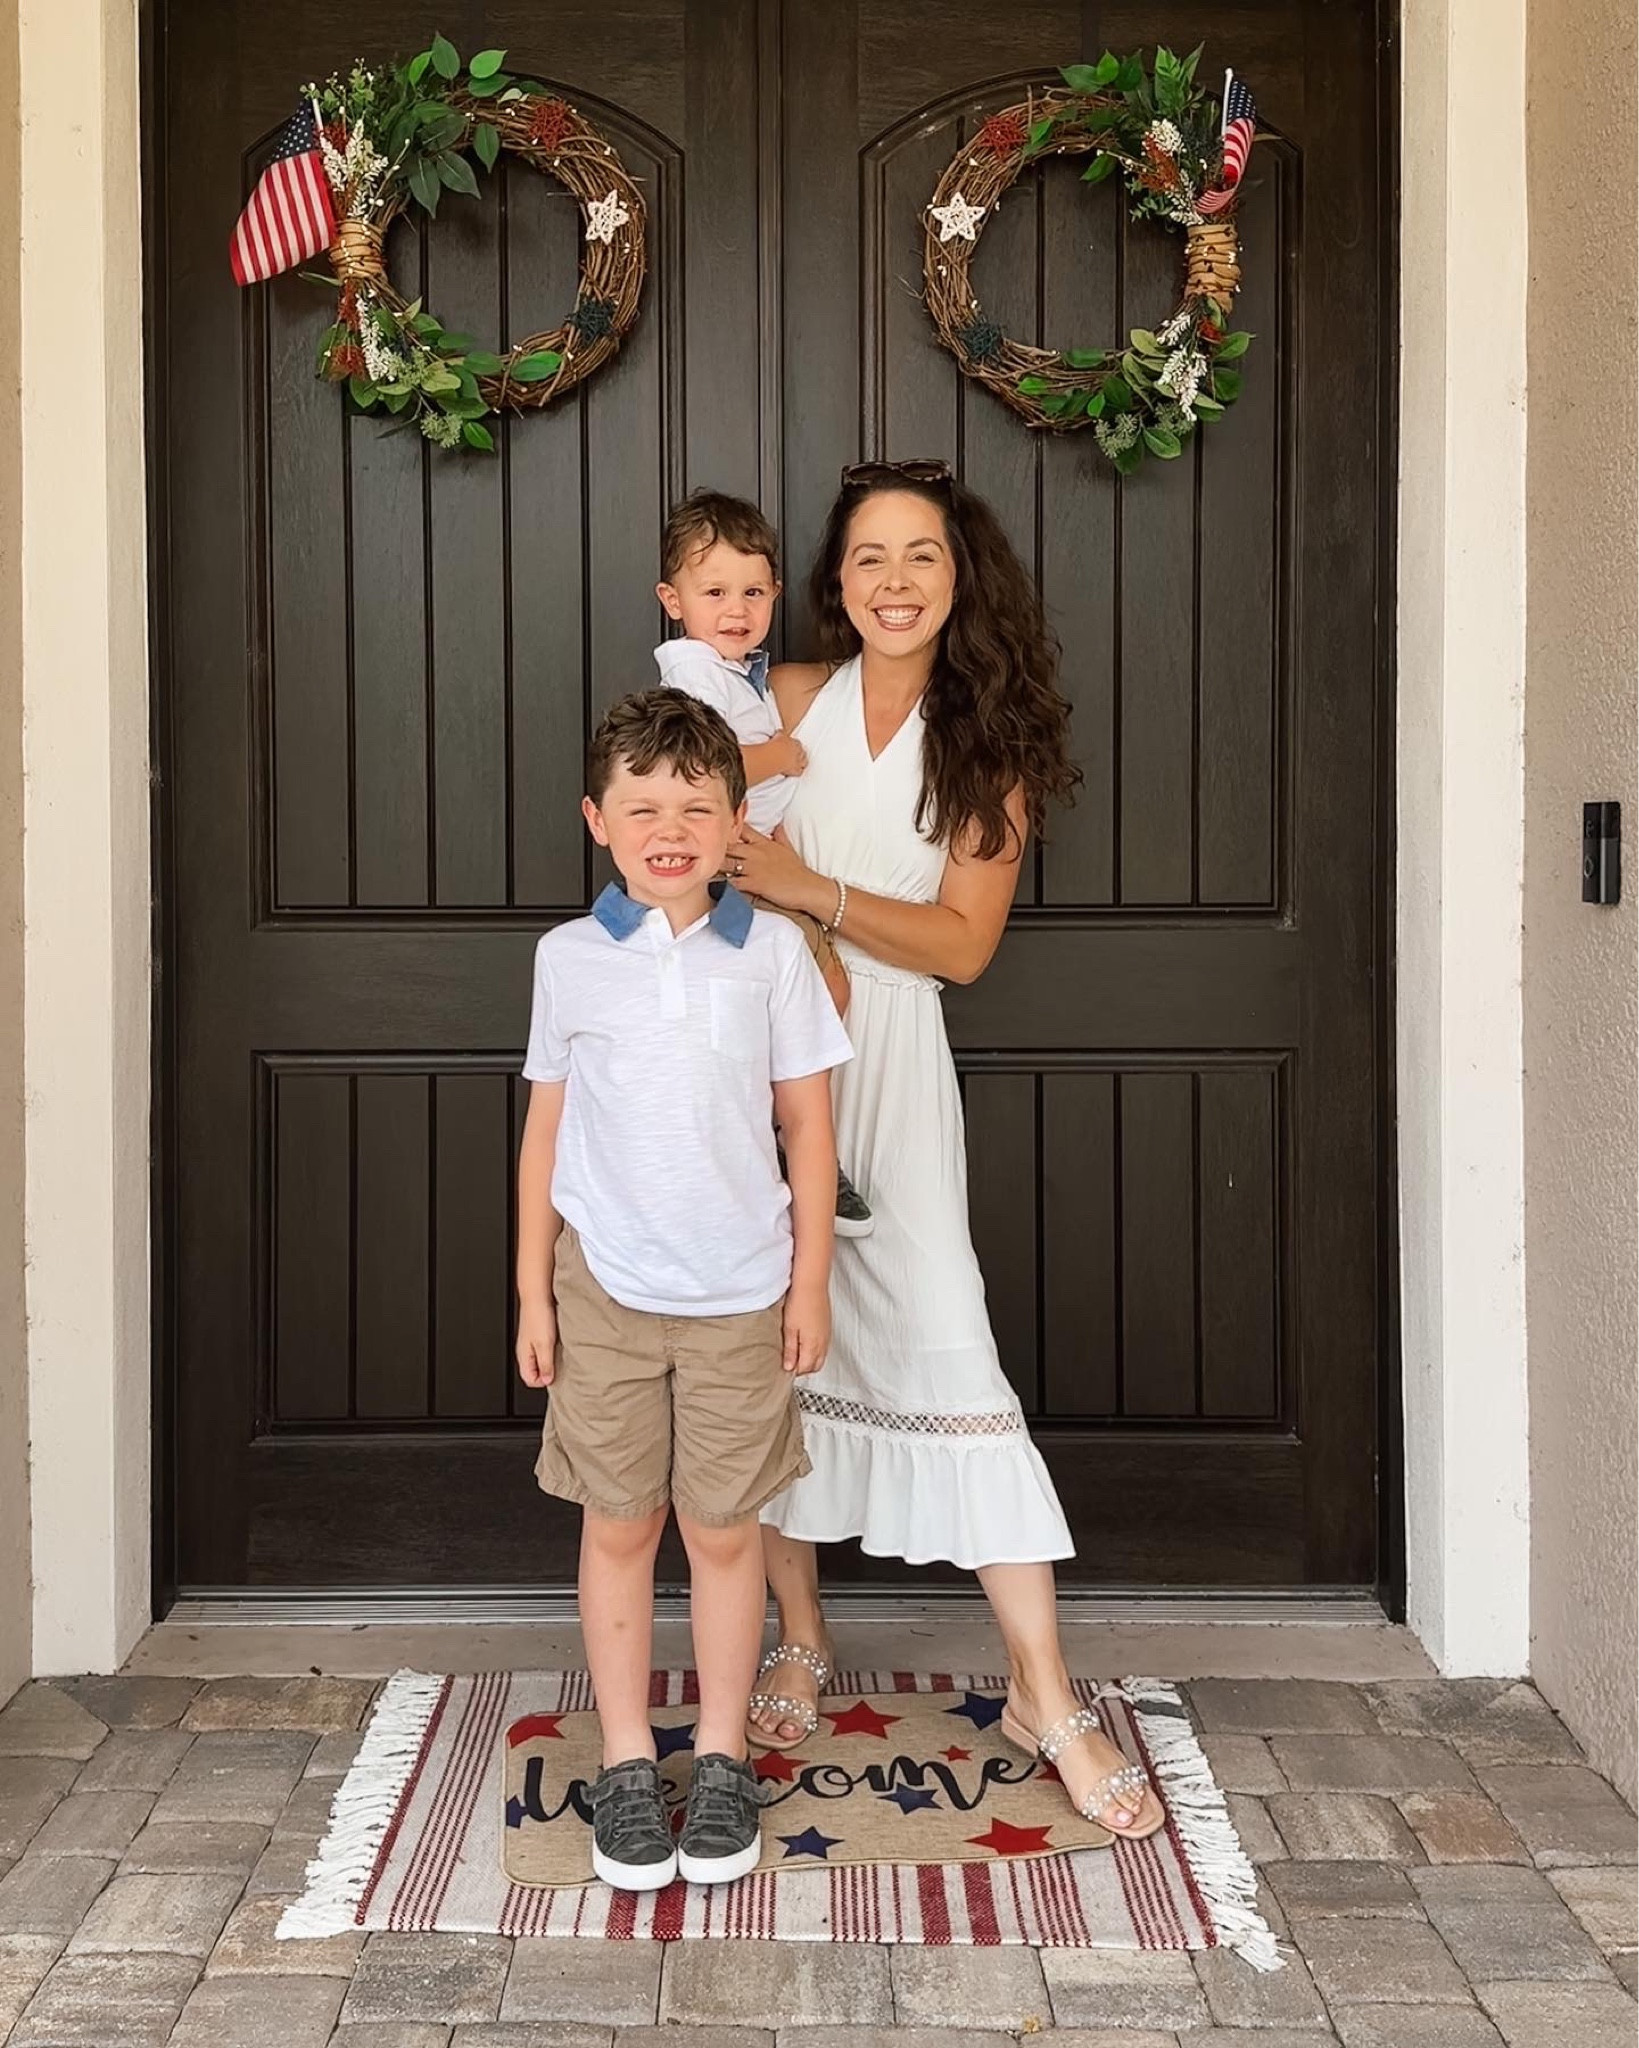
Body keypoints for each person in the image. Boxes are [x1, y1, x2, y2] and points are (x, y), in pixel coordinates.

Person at [728, 460, 1166, 1842]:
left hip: (893, 1069)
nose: (894, 581)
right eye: (867, 558)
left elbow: (962, 948)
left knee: (943, 1342)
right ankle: (798, 1637)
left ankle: (1044, 1690)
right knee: (761, 1356)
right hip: (760, 1060)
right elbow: (684, 828)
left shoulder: (987, 743)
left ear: (958, 575)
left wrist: (813, 890)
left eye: (920, 555)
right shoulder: (787, 702)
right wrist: (788, 925)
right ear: (835, 582)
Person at [514, 688, 853, 1891]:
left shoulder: (770, 952)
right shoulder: (568, 959)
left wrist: (809, 1280)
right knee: (620, 1520)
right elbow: (545, 1132)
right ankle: (621, 1757)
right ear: (598, 819)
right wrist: (531, 1292)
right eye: (643, 805)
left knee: (720, 1527)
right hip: (603, 1284)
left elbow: (807, 1127)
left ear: (734, 818)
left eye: (695, 805)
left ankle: (714, 1756)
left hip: (742, 1288)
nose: (670, 826)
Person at [653, 488, 873, 1236]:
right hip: (724, 867)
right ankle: (786, 1135)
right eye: (713, 592)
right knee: (823, 990)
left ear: (776, 593)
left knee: (795, 995)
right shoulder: (692, 672)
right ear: (672, 600)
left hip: (752, 858)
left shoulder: (737, 669)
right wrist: (778, 754)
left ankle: (774, 1131)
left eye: (753, 591)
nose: (735, 608)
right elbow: (701, 768)